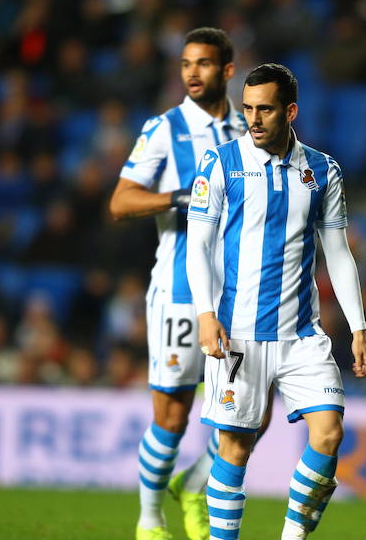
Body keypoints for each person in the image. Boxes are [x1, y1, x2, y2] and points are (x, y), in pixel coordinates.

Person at [186, 63, 366, 540]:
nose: (253, 118)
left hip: (301, 335)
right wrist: (205, 315)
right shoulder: (220, 163)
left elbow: (337, 251)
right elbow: (199, 246)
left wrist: (358, 327)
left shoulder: (323, 170)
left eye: (264, 109)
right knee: (234, 448)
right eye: (247, 108)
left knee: (328, 434)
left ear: (290, 111)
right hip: (237, 335)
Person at [110, 27, 272, 540]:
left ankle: (195, 484)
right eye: (185, 64)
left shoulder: (249, 134)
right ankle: (149, 518)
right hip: (180, 293)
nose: (192, 73)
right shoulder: (164, 129)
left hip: (240, 297)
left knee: (252, 414)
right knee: (174, 416)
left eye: (203, 64)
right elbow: (120, 201)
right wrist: (175, 198)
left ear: (228, 71)